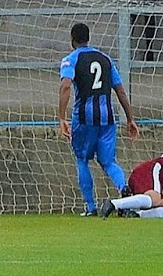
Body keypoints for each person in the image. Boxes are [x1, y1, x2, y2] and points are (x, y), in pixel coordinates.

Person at [57, 22, 141, 215]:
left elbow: (66, 87)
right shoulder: (106, 59)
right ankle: (123, 190)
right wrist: (130, 119)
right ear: (89, 38)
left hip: (85, 118)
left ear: (72, 40)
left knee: (82, 159)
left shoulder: (71, 59)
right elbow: (120, 90)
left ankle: (90, 207)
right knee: (108, 161)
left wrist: (62, 118)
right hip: (108, 117)